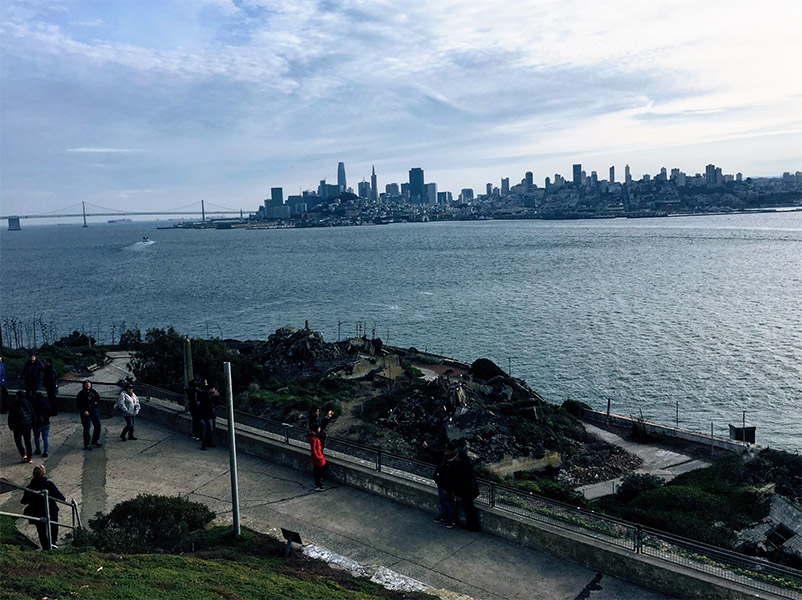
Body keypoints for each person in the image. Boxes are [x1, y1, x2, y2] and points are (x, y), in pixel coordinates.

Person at [21, 464, 65, 550]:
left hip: (36, 511)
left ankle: (45, 546)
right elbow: (57, 494)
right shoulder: (48, 484)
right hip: (50, 509)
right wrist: (64, 499)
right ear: (44, 473)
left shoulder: (30, 487)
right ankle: (52, 542)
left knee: (41, 530)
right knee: (53, 525)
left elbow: (23, 501)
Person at [423, 439, 458, 528]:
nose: (446, 452)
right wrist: (427, 448)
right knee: (442, 501)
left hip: (449, 486)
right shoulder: (443, 454)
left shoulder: (456, 462)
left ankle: (451, 520)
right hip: (441, 483)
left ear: (452, 451)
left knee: (449, 502)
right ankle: (443, 516)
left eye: (448, 451)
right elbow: (435, 453)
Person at [451, 449, 481, 532]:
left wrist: (459, 494)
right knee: (469, 509)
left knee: (469, 509)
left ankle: (473, 526)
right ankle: (471, 525)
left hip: (467, 492)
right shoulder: (466, 465)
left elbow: (462, 482)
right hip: (469, 491)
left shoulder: (463, 467)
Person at [8, 390, 34, 462]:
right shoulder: (28, 403)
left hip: (17, 426)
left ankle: (23, 454)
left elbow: (11, 416)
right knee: (28, 442)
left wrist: (10, 425)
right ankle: (30, 457)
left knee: (18, 441)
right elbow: (32, 413)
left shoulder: (14, 404)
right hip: (27, 425)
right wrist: (32, 424)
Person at [76, 380, 102, 450]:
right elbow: (79, 404)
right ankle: (86, 444)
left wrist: (96, 404)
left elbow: (98, 399)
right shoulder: (81, 394)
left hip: (94, 412)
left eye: (89, 385)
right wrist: (84, 411)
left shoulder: (93, 392)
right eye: (87, 385)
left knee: (98, 426)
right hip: (86, 414)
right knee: (87, 429)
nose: (88, 386)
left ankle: (95, 440)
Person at [198, 384, 219, 451]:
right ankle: (204, 445)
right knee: (209, 430)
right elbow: (208, 404)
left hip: (211, 415)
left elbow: (216, 404)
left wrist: (216, 397)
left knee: (212, 430)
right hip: (207, 415)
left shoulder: (210, 396)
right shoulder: (205, 396)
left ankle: (210, 442)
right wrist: (213, 397)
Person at [307, 424, 328, 491]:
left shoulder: (313, 438)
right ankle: (317, 485)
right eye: (318, 428)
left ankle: (318, 483)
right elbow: (314, 449)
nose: (319, 429)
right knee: (318, 471)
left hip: (318, 456)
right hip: (318, 456)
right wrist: (318, 457)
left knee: (318, 470)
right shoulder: (314, 439)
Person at [31, 392, 51, 458]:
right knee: (46, 437)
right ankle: (46, 451)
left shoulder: (34, 404)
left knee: (36, 437)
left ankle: (38, 449)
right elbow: (49, 412)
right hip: (46, 422)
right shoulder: (46, 403)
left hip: (37, 424)